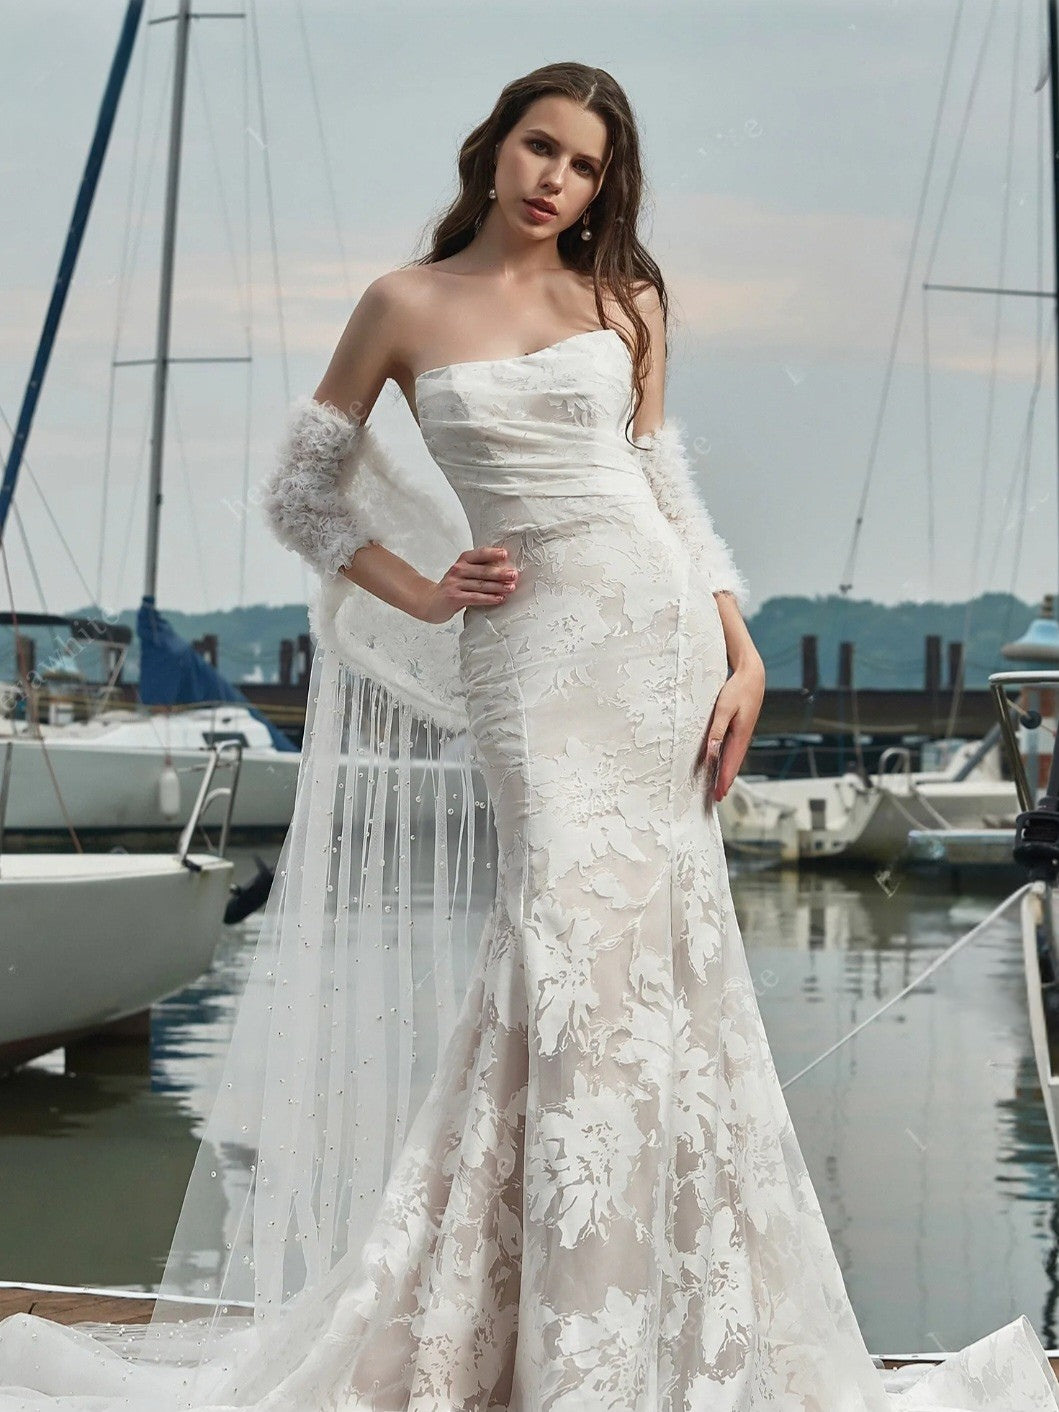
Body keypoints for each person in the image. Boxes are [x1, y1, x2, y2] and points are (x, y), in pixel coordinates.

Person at [1, 58, 1058, 1412]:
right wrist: (424, 590)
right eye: (541, 147)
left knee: (665, 964)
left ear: (604, 186)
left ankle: (647, 1327)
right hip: (529, 666)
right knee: (560, 950)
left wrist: (741, 653)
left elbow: (663, 486)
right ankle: (551, 1330)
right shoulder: (403, 303)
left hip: (657, 644)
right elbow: (302, 494)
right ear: (494, 146)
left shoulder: (625, 298)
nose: (559, 180)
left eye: (586, 165)